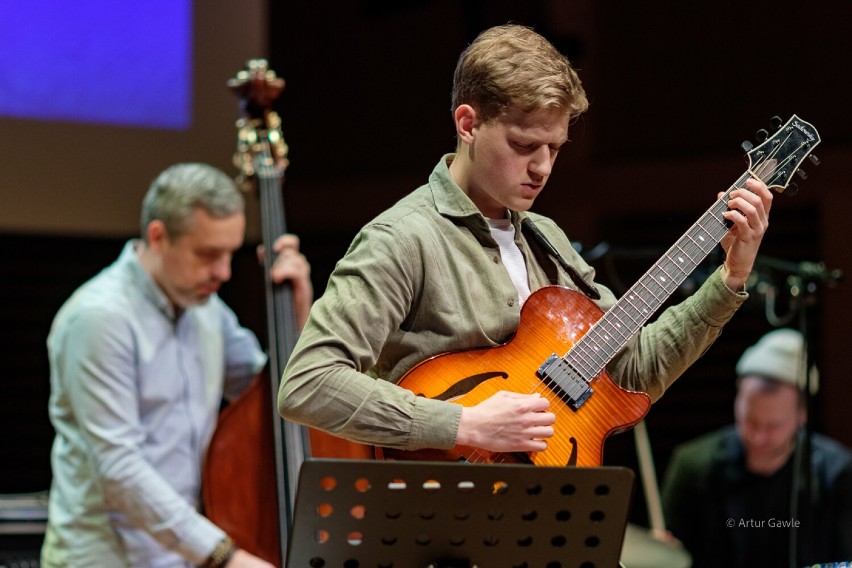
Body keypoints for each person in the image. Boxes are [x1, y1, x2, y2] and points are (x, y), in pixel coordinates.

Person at [279, 24, 771, 463]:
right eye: (522, 145)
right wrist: (464, 426)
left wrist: (730, 277)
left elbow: (635, 370)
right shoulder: (402, 239)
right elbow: (308, 383)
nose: (542, 168)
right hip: (439, 523)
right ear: (468, 124)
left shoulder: (548, 240)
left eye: (554, 148)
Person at [41, 163, 312, 567]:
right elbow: (119, 468)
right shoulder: (99, 318)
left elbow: (275, 398)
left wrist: (299, 314)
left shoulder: (208, 311)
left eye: (230, 254)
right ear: (158, 237)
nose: (223, 272)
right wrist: (225, 555)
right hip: (106, 557)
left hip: (182, 556)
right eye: (208, 255)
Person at [661, 328, 852, 567]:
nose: (759, 437)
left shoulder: (838, 472)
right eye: (750, 421)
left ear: (802, 415)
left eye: (773, 426)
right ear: (737, 401)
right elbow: (666, 554)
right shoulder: (692, 464)